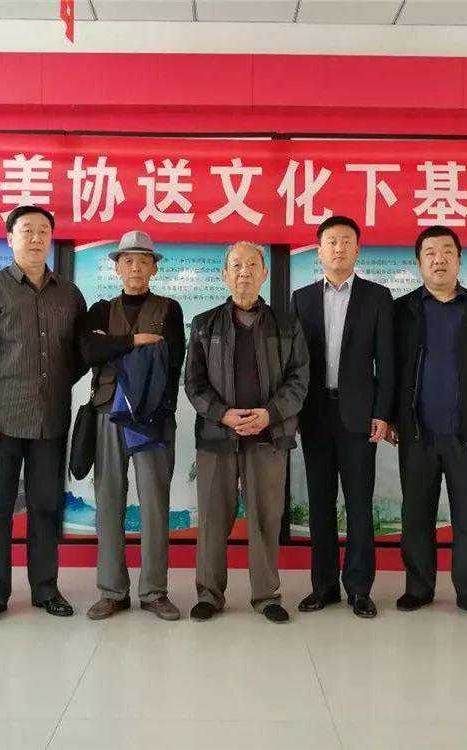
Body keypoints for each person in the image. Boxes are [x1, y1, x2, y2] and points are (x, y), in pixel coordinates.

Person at [0, 205, 87, 626]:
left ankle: (46, 589)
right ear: (10, 238)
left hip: (51, 420)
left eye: (43, 231)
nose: (35, 238)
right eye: (26, 230)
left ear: (51, 239)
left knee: (46, 507)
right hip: (1, 421)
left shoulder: (69, 294)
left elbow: (78, 355)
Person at [388, 227, 467, 621]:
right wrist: (389, 417)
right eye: (430, 252)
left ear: (459, 259)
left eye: (447, 251)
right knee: (416, 515)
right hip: (417, 433)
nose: (438, 259)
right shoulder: (402, 310)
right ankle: (418, 588)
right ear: (419, 262)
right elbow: (389, 370)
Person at [185, 241, 309, 624]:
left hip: (268, 437)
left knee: (266, 518)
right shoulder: (204, 324)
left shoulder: (286, 325)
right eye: (236, 265)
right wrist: (222, 415)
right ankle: (209, 595)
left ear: (264, 273)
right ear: (224, 274)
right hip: (217, 437)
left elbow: (299, 379)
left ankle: (267, 595)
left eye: (252, 264)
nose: (244, 272)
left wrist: (270, 414)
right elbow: (194, 383)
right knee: (212, 519)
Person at [78, 230, 185, 621]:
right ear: (117, 267)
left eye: (143, 261)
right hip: (107, 412)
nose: (135, 267)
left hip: (153, 419)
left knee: (155, 503)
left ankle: (154, 591)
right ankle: (112, 591)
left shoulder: (169, 309)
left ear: (154, 268)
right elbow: (89, 351)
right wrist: (137, 340)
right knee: (108, 500)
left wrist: (114, 343)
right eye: (128, 261)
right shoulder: (100, 309)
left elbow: (172, 358)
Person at [291, 215, 394, 619]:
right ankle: (323, 587)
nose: (338, 248)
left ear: (357, 249)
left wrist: (382, 412)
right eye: (331, 241)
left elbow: (387, 361)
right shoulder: (301, 299)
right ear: (319, 250)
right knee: (319, 504)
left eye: (346, 241)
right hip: (315, 414)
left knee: (359, 505)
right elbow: (293, 364)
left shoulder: (377, 297)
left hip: (359, 416)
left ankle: (359, 589)